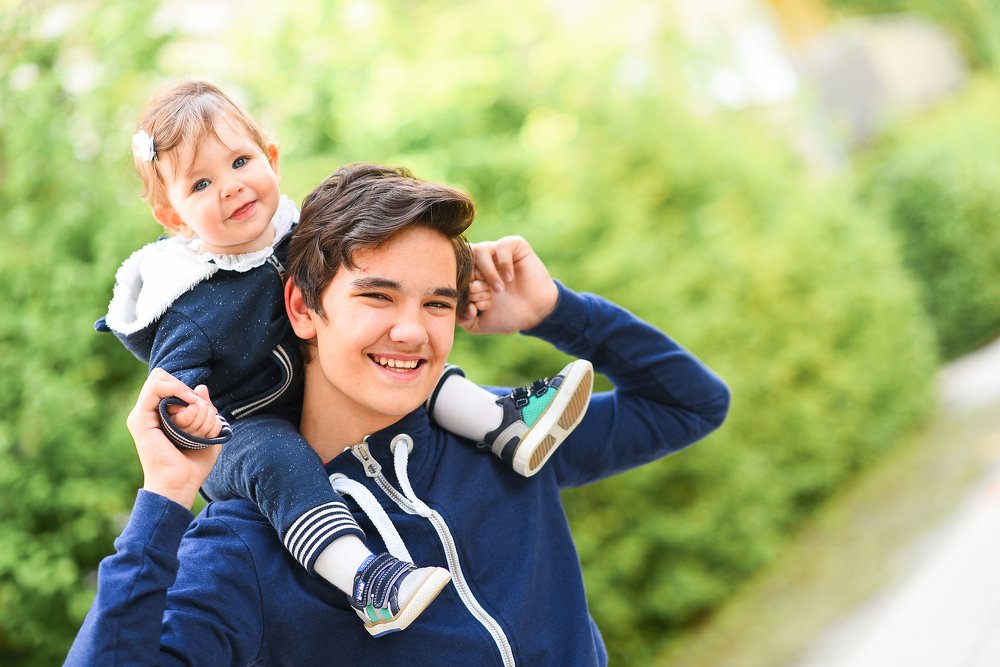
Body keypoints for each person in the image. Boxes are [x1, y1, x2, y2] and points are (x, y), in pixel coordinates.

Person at [68, 163, 730, 665]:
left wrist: (556, 312)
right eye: (378, 297)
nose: (412, 331)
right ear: (302, 309)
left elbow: (690, 403)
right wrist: (163, 500)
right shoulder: (244, 546)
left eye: (437, 304)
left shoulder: (504, 442)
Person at [93, 80, 594, 636]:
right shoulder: (190, 303)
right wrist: (187, 422)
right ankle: (364, 578)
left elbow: (390, 279)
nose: (231, 188)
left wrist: (444, 277)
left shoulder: (304, 234)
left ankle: (505, 426)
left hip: (322, 395)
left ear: (272, 159)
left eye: (240, 161)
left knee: (404, 352)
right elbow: (170, 391)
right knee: (279, 459)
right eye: (202, 183)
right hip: (247, 434)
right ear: (173, 214)